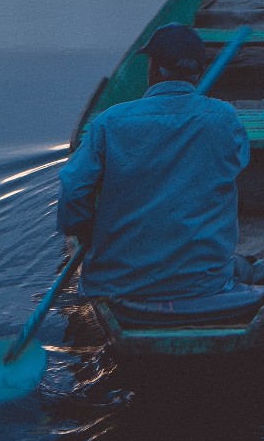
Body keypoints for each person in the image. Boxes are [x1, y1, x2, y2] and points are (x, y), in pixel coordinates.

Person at [57, 22, 250, 304]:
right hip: (203, 285)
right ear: (198, 73)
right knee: (247, 265)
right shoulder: (225, 118)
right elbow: (238, 165)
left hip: (113, 285)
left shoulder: (110, 122)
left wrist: (85, 231)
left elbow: (74, 190)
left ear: (154, 69)